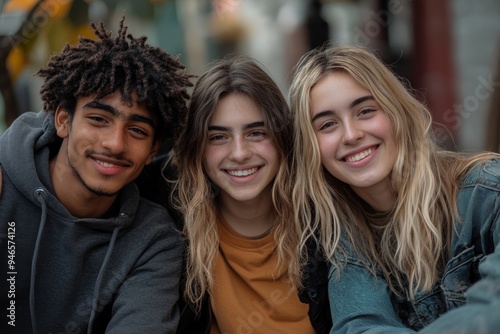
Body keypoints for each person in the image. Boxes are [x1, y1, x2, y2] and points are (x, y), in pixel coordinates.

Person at [289, 44, 500, 333]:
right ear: (311, 149)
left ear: (396, 111)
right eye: (327, 125)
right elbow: (361, 327)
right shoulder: (344, 236)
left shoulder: (487, 192)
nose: (351, 135)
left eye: (365, 111)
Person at [0, 17, 192, 333]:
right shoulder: (3, 183)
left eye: (136, 130)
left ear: (152, 150)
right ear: (63, 120)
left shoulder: (153, 240)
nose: (115, 144)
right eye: (99, 119)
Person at [171, 55, 331, 334]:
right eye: (218, 137)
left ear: (283, 138)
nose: (240, 153)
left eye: (257, 133)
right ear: (196, 148)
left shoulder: (328, 225)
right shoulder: (174, 235)